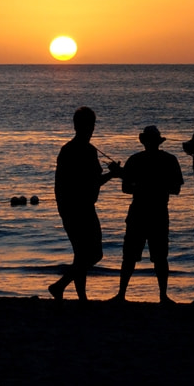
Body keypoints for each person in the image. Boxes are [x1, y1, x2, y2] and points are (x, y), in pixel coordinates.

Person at [48, 107, 119, 301]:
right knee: (94, 254)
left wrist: (62, 208)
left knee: (81, 255)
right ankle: (60, 285)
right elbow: (94, 182)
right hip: (82, 209)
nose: (92, 129)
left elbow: (60, 183)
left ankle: (81, 296)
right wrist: (113, 174)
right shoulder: (86, 150)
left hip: (69, 208)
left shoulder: (68, 149)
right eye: (92, 125)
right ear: (86, 126)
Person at [110, 125, 184, 303]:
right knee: (151, 257)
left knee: (142, 257)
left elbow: (127, 188)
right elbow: (175, 189)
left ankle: (125, 295)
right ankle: (159, 296)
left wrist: (141, 185)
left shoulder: (136, 160)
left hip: (143, 213)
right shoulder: (168, 160)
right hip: (152, 213)